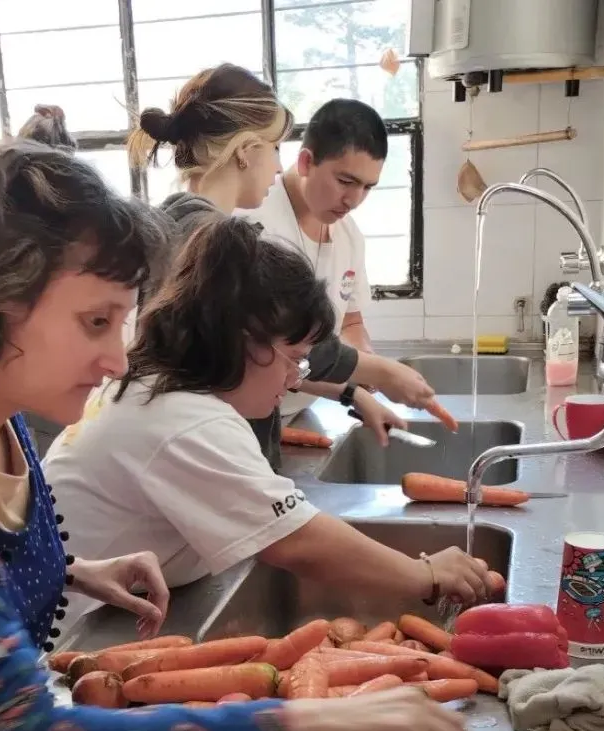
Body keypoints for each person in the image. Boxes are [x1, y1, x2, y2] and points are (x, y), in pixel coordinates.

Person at [0, 142, 472, 731]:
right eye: (95, 321)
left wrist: (73, 567)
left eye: (122, 321)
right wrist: (310, 721)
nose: (117, 359)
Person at [43, 216, 493, 636]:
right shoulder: (185, 421)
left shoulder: (160, 387)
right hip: (71, 635)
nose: (295, 379)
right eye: (294, 360)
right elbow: (298, 542)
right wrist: (425, 575)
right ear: (242, 342)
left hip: (88, 613)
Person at [124, 64, 454, 472]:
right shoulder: (217, 242)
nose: (280, 168)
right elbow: (288, 344)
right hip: (214, 450)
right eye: (276, 148)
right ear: (246, 152)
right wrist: (383, 373)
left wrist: (356, 391)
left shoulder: (175, 221)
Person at [242, 98, 385, 417]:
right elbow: (268, 349)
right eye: (346, 181)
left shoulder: (349, 236)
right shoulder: (253, 227)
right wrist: (365, 375)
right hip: (250, 416)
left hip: (303, 409)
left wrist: (362, 358)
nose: (354, 200)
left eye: (367, 188)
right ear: (306, 162)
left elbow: (351, 320)